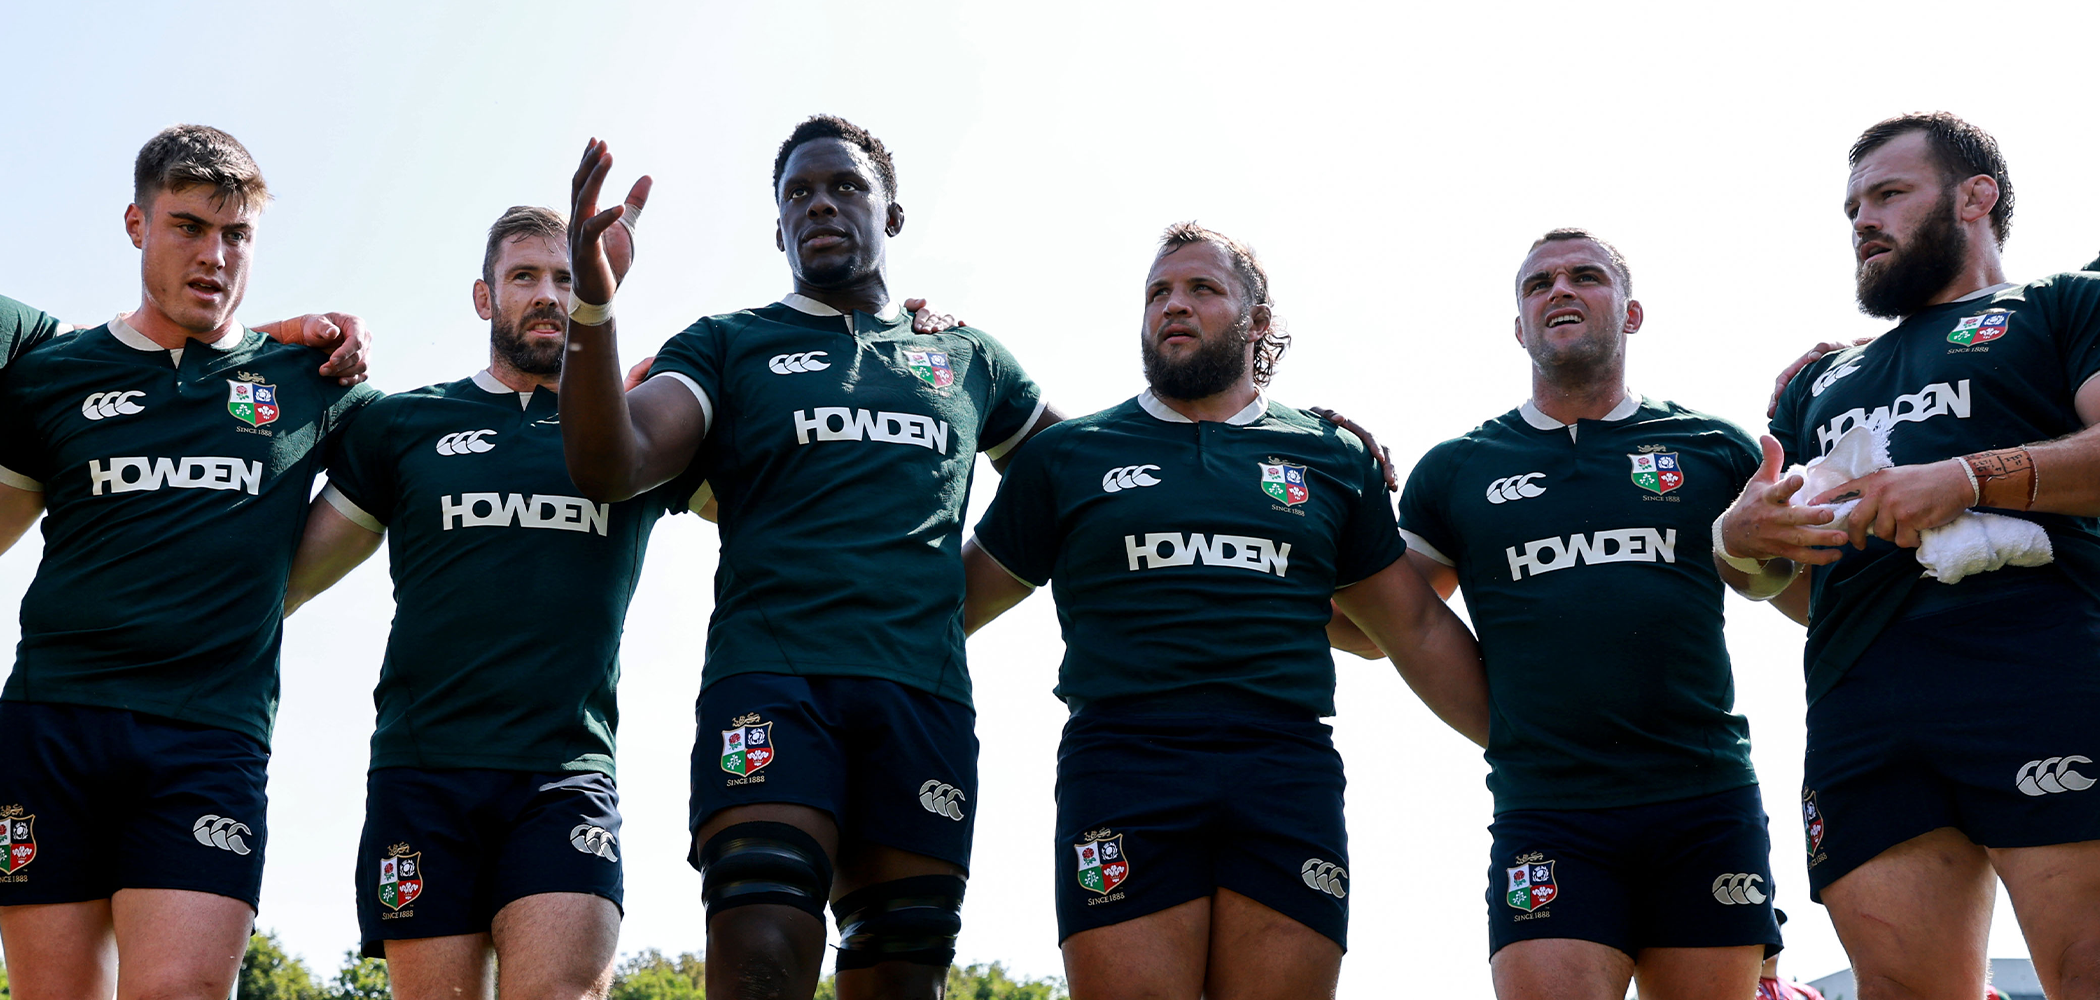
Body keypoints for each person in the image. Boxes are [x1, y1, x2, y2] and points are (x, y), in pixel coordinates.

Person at [557, 116, 1061, 999]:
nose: (820, 204)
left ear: (892, 215)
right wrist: (593, 308)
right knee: (760, 959)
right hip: (774, 685)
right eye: (798, 194)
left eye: (846, 187)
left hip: (922, 698)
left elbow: (1084, 480)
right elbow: (612, 463)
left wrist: (1270, 426)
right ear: (777, 228)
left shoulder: (966, 353)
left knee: (904, 977)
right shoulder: (727, 344)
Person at [958, 222, 1486, 999]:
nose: (1175, 306)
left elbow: (1402, 630)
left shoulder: (1330, 457)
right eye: (1158, 293)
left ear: (1257, 321)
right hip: (1124, 765)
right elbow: (949, 607)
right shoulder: (1070, 456)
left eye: (1202, 289)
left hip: (1283, 768)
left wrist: (1536, 746)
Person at [277, 203, 703, 1000]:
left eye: (567, 278)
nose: (547, 294)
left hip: (564, 776)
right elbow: (282, 586)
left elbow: (786, 495)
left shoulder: (638, 434)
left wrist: (916, 327)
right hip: (424, 773)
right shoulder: (401, 427)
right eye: (525, 277)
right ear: (484, 297)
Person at [1720, 111, 2100, 1000]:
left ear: (1976, 198)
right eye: (1853, 206)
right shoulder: (1818, 381)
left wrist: (1968, 477)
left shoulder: (2061, 306)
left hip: (2041, 665)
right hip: (1863, 704)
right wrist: (1745, 544)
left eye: (1889, 194)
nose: (1863, 220)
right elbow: (1782, 584)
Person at [0, 125, 380, 1000]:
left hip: (207, 736)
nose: (214, 256)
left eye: (236, 233)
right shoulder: (51, 372)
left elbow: (429, 460)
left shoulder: (315, 377)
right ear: (136, 225)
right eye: (187, 227)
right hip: (53, 724)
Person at [1390, 229, 1783, 1000]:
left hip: (1704, 800)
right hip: (1549, 808)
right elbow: (1385, 625)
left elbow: (1789, 590)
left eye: (1585, 277)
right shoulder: (1457, 470)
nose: (1559, 291)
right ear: (1518, 327)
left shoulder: (1711, 447)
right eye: (1538, 285)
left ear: (1631, 313)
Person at [1756, 912, 1827, 1000]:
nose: (1771, 941)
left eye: (1776, 934)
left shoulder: (1806, 993)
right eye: (1765, 935)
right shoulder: (1740, 990)